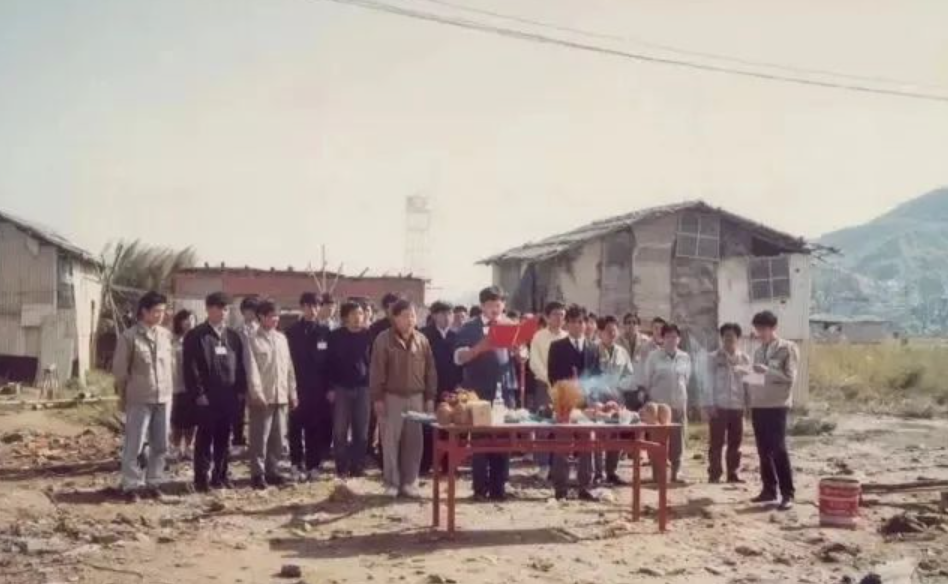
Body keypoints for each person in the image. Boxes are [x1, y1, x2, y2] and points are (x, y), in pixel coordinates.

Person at [370, 299, 437, 498]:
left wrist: (430, 397)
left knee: (414, 442)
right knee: (390, 442)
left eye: (413, 316)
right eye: (406, 316)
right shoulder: (383, 340)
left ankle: (410, 482)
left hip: (416, 397)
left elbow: (430, 371)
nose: (410, 320)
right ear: (395, 318)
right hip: (391, 397)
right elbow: (377, 370)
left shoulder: (422, 340)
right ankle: (392, 483)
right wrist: (377, 398)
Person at [112, 291, 174, 501]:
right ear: (144, 312)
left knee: (161, 444)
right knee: (135, 444)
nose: (160, 315)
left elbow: (171, 367)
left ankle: (154, 482)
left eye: (162, 311)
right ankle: (131, 485)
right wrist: (124, 397)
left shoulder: (165, 336)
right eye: (156, 311)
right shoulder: (129, 337)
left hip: (164, 397)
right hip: (139, 398)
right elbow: (120, 372)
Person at [185, 292, 248, 492]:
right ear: (208, 309)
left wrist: (241, 390)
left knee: (224, 437)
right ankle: (201, 479)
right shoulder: (197, 335)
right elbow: (191, 368)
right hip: (207, 397)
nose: (223, 312)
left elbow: (240, 366)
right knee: (205, 438)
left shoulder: (233, 336)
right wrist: (199, 393)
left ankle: (220, 476)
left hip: (228, 396)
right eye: (219, 308)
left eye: (226, 308)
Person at [454, 286, 511, 501]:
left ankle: (499, 487)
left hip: (503, 390)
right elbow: (459, 358)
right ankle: (479, 488)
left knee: (503, 439)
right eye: (490, 305)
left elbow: (520, 355)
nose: (495, 309)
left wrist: (520, 352)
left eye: (499, 305)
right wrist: (479, 348)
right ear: (482, 306)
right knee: (480, 440)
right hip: (478, 392)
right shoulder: (470, 328)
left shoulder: (509, 326)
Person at [547, 304, 601, 501]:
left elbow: (597, 376)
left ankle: (585, 485)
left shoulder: (593, 348)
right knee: (562, 444)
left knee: (588, 444)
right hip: (565, 403)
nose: (577, 326)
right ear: (567, 324)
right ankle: (560, 488)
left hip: (586, 404)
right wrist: (569, 390)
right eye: (572, 322)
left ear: (586, 324)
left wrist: (592, 397)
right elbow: (553, 376)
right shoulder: (557, 347)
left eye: (580, 322)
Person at [244, 300, 298, 490]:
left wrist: (292, 392)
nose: (275, 319)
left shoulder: (281, 339)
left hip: (281, 396)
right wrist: (256, 393)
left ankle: (272, 471)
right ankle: (257, 474)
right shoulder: (252, 339)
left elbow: (289, 368)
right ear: (261, 317)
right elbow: (251, 369)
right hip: (263, 397)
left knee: (278, 437)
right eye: (271, 316)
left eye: (277, 316)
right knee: (260, 438)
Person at [749, 310, 799, 511]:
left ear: (773, 328)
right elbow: (756, 379)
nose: (760, 333)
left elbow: (790, 378)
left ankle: (787, 493)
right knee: (763, 450)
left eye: (763, 329)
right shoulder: (758, 351)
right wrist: (745, 374)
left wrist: (768, 370)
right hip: (759, 405)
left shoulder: (788, 348)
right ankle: (768, 489)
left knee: (778, 449)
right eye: (757, 329)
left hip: (777, 405)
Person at [286, 292, 333, 481]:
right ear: (302, 307)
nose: (313, 310)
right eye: (309, 306)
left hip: (318, 389)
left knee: (314, 428)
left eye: (316, 306)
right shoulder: (291, 332)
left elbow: (330, 363)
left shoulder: (325, 332)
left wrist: (329, 387)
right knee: (295, 428)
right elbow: (287, 362)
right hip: (297, 387)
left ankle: (313, 465)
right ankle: (296, 463)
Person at [328, 300, 372, 478]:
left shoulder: (369, 336)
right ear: (345, 317)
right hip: (341, 388)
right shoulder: (335, 336)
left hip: (363, 388)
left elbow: (373, 362)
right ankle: (341, 467)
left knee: (361, 430)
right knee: (340, 430)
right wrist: (330, 387)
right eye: (354, 314)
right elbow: (328, 364)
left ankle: (358, 466)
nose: (358, 317)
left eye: (360, 313)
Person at [703, 323, 752, 484]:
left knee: (735, 443)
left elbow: (748, 384)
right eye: (725, 336)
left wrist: (748, 405)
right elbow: (707, 382)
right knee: (716, 442)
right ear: (721, 338)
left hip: (737, 406)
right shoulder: (713, 357)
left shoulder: (744, 359)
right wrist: (709, 403)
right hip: (719, 406)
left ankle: (733, 474)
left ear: (738, 338)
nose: (729, 339)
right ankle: (714, 474)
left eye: (732, 336)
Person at [643, 323, 692, 483]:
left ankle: (676, 471)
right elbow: (647, 380)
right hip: (659, 406)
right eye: (668, 336)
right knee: (657, 440)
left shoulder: (685, 357)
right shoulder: (654, 357)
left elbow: (686, 379)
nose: (671, 340)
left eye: (674, 336)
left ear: (679, 339)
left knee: (678, 439)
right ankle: (658, 473)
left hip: (678, 403)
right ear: (662, 338)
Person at [420, 301, 460, 475]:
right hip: (429, 387)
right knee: (428, 427)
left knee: (450, 426)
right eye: (443, 314)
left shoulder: (456, 336)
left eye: (450, 314)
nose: (447, 317)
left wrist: (459, 385)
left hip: (452, 388)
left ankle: (448, 465)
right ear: (434, 315)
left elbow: (460, 364)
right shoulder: (424, 335)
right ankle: (425, 464)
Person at [528, 301, 568, 478]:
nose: (559, 318)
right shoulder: (539, 336)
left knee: (562, 426)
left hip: (564, 388)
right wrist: (550, 379)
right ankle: (543, 465)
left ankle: (559, 464)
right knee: (543, 425)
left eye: (562, 315)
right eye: (555, 314)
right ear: (547, 317)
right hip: (544, 385)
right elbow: (534, 363)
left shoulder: (568, 336)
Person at [594, 315, 635, 485]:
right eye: (608, 330)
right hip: (598, 398)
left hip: (617, 398)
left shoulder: (622, 352)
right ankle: (597, 472)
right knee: (597, 435)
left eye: (614, 330)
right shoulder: (593, 350)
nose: (612, 334)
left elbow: (629, 374)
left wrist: (621, 386)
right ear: (600, 332)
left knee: (615, 435)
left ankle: (611, 471)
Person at [367, 292, 402, 465]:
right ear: (385, 308)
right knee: (376, 418)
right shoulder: (375, 328)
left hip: (400, 380)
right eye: (391, 307)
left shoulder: (406, 326)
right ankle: (372, 452)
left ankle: (392, 455)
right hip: (380, 379)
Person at [233, 295, 261, 449]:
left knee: (257, 410)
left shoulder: (261, 330)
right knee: (238, 411)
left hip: (258, 375)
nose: (250, 314)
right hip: (240, 375)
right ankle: (238, 440)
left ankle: (256, 440)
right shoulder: (236, 331)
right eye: (247, 310)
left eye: (253, 310)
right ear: (243, 311)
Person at [170, 309, 197, 461]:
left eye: (192, 319)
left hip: (194, 386)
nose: (189, 322)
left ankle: (189, 446)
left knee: (192, 419)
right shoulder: (173, 340)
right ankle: (175, 447)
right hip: (176, 384)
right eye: (186, 319)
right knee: (177, 418)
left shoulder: (198, 339)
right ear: (179, 322)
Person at [617, 313, 650, 410]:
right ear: (624, 325)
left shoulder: (646, 341)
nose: (631, 325)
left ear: (638, 326)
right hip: (622, 386)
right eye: (628, 322)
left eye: (634, 323)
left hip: (640, 386)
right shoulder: (617, 341)